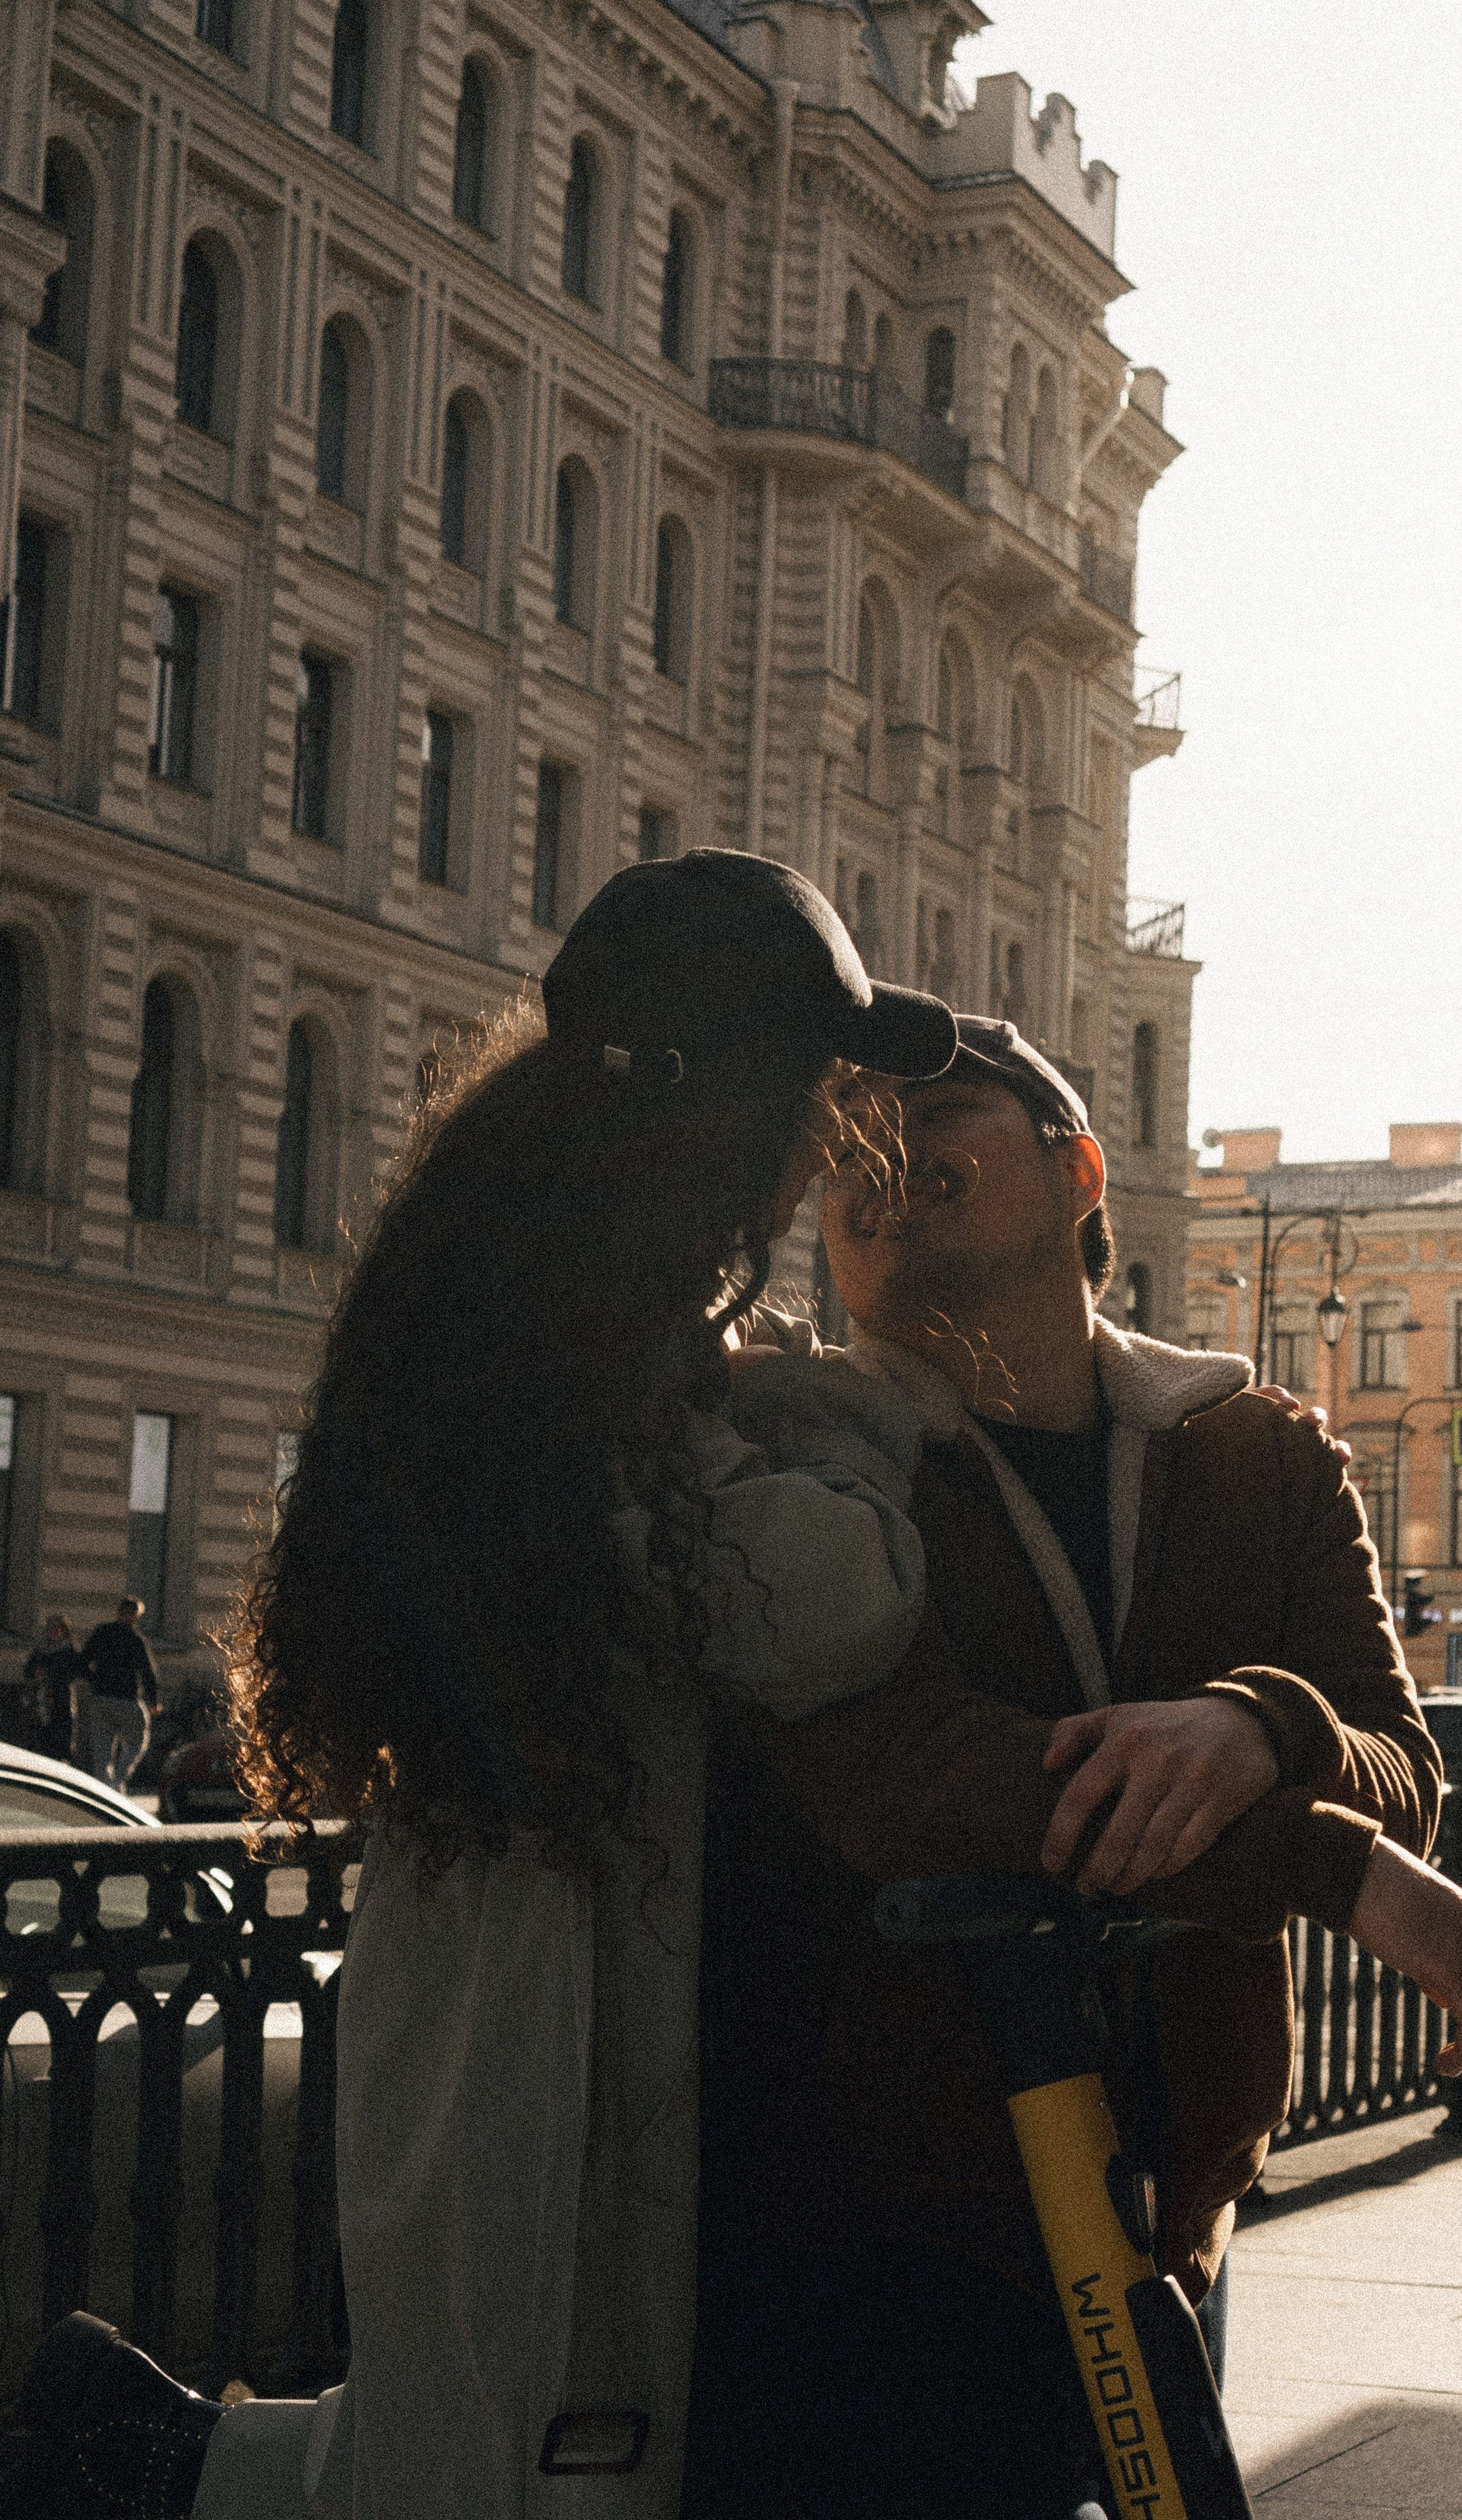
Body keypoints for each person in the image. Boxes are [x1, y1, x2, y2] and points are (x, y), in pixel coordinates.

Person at [5, 851, 959, 2520]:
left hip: (508, 1993)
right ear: (715, 1105)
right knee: (524, 2463)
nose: (835, 1129)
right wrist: (858, 1409)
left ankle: (161, 2453)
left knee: (474, 2450)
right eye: (813, 1083)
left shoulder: (523, 1318)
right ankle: (159, 2462)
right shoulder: (603, 1379)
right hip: (557, 2047)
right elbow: (824, 1605)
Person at [682, 1016, 1462, 2520]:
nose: (876, 1157)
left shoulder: (1258, 1450)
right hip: (878, 2247)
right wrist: (1325, 1870)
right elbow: (904, 1774)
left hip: (1170, 2218)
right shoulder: (801, 1448)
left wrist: (1259, 1721)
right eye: (844, 1145)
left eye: (934, 1113)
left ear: (1079, 1167)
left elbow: (1404, 1764)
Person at [81, 1597, 159, 1790]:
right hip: (127, 1700)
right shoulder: (136, 1639)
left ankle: (104, 1787)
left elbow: (82, 1661)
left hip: (101, 1699)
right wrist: (154, 1701)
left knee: (102, 1749)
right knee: (138, 1742)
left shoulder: (102, 1632)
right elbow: (148, 1672)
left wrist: (95, 1681)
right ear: (136, 1616)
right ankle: (118, 1781)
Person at [22, 1611, 87, 1765]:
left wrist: (51, 1674)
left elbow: (74, 1673)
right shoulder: (41, 1649)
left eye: (58, 1629)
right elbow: (28, 1671)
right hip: (39, 1701)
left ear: (64, 1631)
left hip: (60, 1700)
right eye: (51, 1628)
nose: (53, 1632)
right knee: (39, 1737)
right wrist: (36, 1673)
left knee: (61, 1737)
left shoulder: (69, 1651)